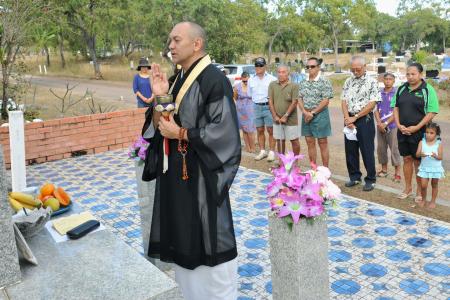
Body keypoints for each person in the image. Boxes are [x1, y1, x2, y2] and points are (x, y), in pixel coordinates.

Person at [145, 22, 241, 300]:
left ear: (196, 44)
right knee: (184, 245)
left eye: (176, 40)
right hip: (177, 176)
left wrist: (182, 133)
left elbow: (225, 134)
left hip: (202, 177)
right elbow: (162, 124)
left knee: (209, 243)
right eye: (169, 41)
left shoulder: (214, 79)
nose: (170, 46)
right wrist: (160, 95)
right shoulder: (177, 79)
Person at [391, 62, 439, 201]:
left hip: (420, 132)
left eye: (413, 74)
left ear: (420, 74)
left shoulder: (427, 89)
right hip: (403, 131)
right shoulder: (401, 89)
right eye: (408, 74)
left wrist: (417, 127)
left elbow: (432, 111)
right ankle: (408, 188)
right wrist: (399, 124)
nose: (410, 77)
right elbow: (395, 107)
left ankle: (419, 191)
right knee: (406, 159)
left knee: (418, 162)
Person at [341, 56, 381, 192]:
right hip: (349, 119)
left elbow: (373, 103)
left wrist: (356, 117)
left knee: (367, 149)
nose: (355, 72)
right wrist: (347, 118)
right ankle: (354, 176)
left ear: (364, 67)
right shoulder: (348, 81)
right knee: (350, 150)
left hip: (364, 119)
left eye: (357, 69)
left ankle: (370, 179)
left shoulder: (372, 82)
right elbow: (343, 100)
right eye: (353, 69)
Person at [298, 57, 334, 167]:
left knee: (322, 143)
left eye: (312, 66)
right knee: (309, 142)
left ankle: (325, 170)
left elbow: (325, 100)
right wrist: (304, 112)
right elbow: (299, 98)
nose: (310, 69)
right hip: (306, 115)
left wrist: (312, 113)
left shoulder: (324, 81)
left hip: (320, 115)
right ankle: (313, 168)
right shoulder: (303, 82)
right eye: (307, 67)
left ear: (318, 67)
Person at [248, 57, 277, 161]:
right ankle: (262, 151)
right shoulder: (251, 79)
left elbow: (275, 95)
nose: (258, 67)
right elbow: (250, 94)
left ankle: (272, 152)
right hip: (256, 106)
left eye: (260, 65)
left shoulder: (272, 79)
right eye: (256, 65)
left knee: (271, 130)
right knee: (259, 130)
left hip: (268, 107)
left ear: (265, 66)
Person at [374, 72, 401, 182]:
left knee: (394, 149)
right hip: (380, 125)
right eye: (386, 79)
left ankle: (397, 173)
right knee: (381, 148)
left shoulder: (397, 93)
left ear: (394, 81)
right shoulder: (379, 93)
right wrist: (380, 123)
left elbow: (397, 111)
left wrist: (386, 123)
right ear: (383, 81)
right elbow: (375, 109)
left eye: (390, 79)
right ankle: (384, 170)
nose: (388, 81)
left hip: (393, 125)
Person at [268, 65, 300, 158]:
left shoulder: (294, 86)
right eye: (279, 72)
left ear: (288, 73)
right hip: (277, 118)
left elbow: (295, 102)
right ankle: (281, 161)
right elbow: (270, 101)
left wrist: (286, 116)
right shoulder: (272, 84)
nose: (281, 74)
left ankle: (295, 161)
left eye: (283, 72)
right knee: (280, 140)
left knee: (294, 140)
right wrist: (274, 116)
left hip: (291, 119)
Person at [416, 122, 444, 209]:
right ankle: (424, 200)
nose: (428, 135)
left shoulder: (438, 144)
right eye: (427, 132)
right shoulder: (422, 142)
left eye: (431, 133)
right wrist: (421, 154)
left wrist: (435, 156)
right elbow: (417, 154)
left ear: (436, 134)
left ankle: (433, 201)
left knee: (434, 185)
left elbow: (440, 157)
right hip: (424, 168)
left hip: (435, 168)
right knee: (423, 185)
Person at [233, 71, 256, 153]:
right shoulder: (237, 86)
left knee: (250, 130)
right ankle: (248, 147)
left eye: (247, 81)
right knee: (244, 130)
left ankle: (253, 147)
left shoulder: (253, 86)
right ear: (241, 79)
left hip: (251, 110)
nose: (246, 82)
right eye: (244, 81)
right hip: (241, 111)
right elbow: (235, 97)